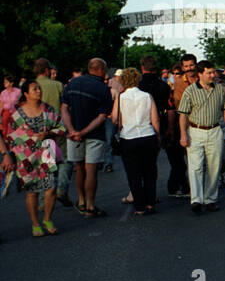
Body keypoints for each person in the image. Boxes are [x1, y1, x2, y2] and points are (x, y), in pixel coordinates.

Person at [2, 78, 68, 236]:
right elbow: (10, 137)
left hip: (46, 151)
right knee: (32, 192)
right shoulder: (17, 114)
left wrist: (48, 133)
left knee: (51, 188)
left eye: (39, 88)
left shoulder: (48, 109)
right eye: (34, 89)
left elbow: (61, 128)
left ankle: (47, 219)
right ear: (26, 94)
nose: (39, 91)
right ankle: (35, 224)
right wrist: (31, 138)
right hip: (26, 156)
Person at [177, 60, 225, 214]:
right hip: (195, 131)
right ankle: (196, 200)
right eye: (209, 72)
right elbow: (182, 115)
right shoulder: (190, 91)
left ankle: (210, 199)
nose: (212, 75)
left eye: (213, 72)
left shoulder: (220, 90)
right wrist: (183, 134)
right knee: (195, 167)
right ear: (200, 74)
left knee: (214, 167)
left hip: (215, 130)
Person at [61, 57, 113, 217]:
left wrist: (72, 130)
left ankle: (81, 201)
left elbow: (64, 108)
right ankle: (90, 205)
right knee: (91, 170)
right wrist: (83, 132)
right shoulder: (103, 89)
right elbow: (102, 116)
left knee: (79, 167)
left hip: (73, 133)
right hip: (94, 134)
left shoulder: (73, 84)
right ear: (101, 70)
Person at [112, 67, 161, 215]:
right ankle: (150, 203)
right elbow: (155, 119)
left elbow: (115, 119)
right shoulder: (147, 96)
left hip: (128, 137)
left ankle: (139, 206)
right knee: (150, 172)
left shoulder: (120, 98)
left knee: (133, 173)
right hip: (147, 136)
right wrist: (158, 135)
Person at [32, 59, 72, 207]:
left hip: (38, 129)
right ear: (47, 70)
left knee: (45, 164)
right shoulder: (57, 85)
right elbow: (65, 106)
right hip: (56, 127)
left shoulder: (31, 86)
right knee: (65, 160)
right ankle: (61, 189)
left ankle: (44, 201)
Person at [166, 54, 198, 198]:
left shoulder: (201, 78)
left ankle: (197, 187)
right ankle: (187, 187)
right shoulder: (178, 83)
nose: (189, 69)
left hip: (202, 122)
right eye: (186, 66)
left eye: (191, 65)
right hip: (186, 123)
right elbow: (181, 106)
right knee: (185, 157)